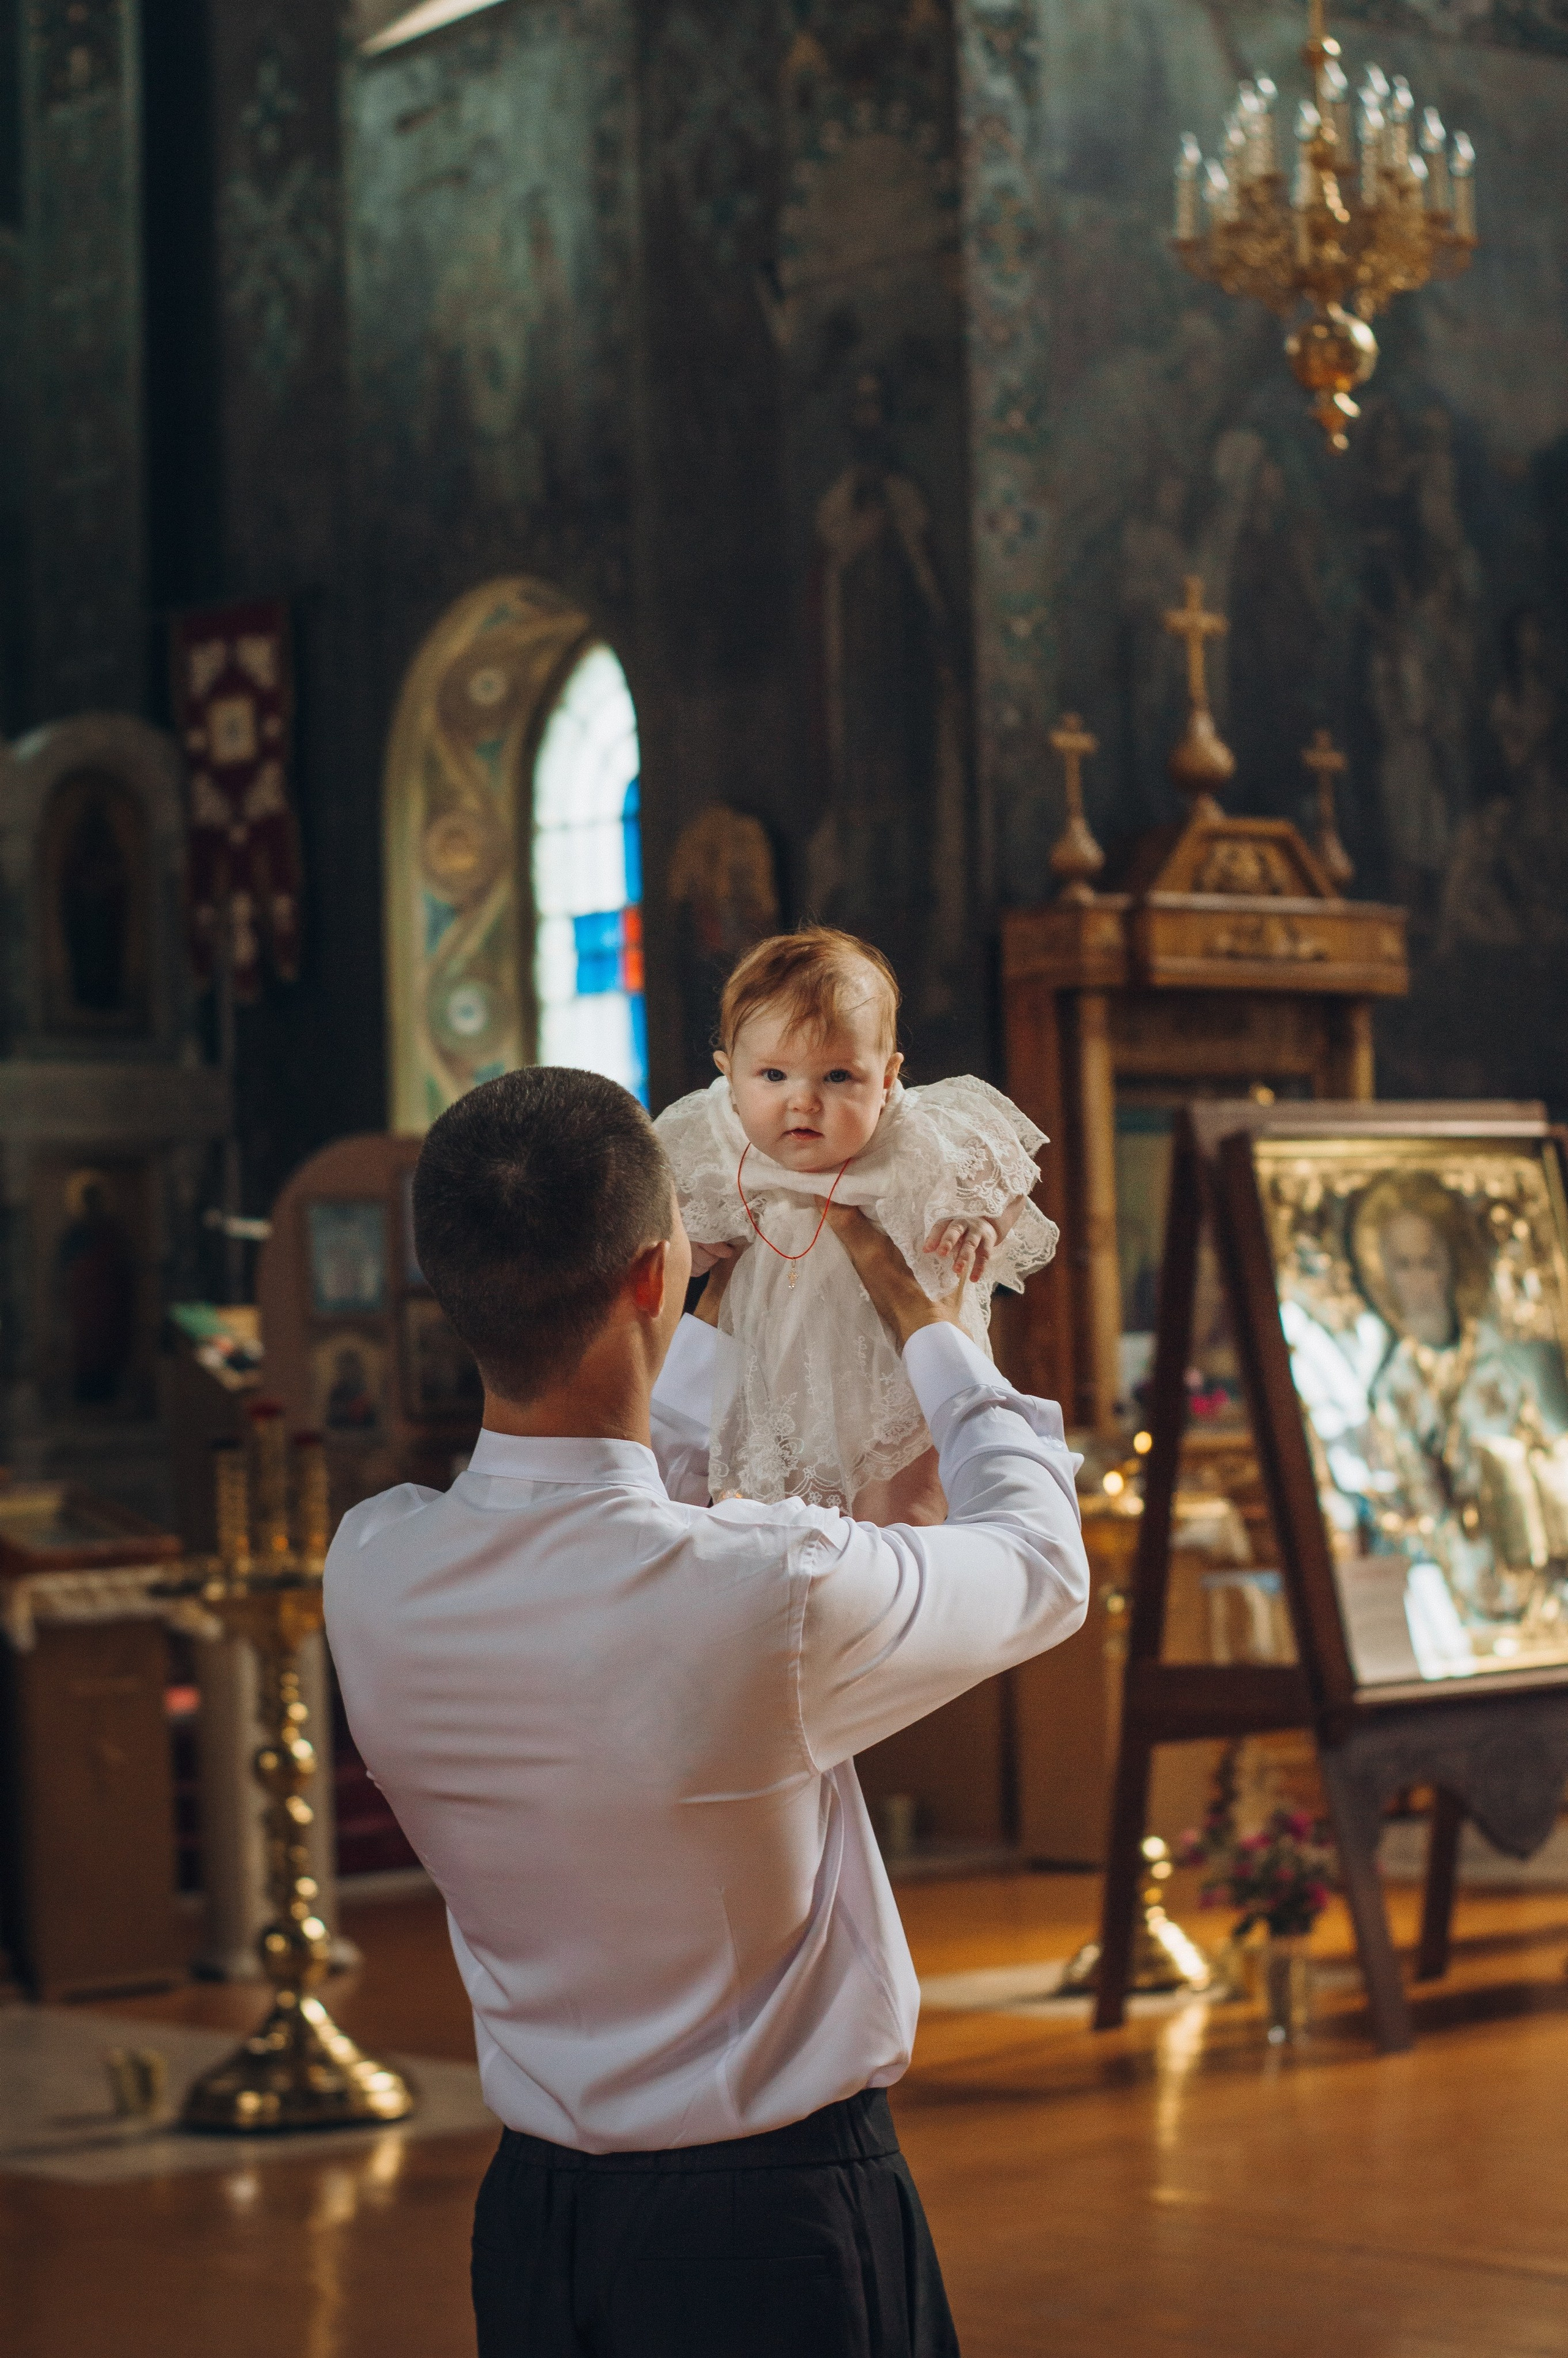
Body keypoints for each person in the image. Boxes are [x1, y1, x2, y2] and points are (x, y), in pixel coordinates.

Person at [323, 1065, 1088, 2358]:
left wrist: (699, 1321)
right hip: (771, 2227)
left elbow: (615, 1515)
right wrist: (930, 1316)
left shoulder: (373, 1566)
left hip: (534, 2228)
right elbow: (1040, 1563)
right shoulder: (768, 1589)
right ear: (649, 1271)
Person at [655, 928, 1058, 1523]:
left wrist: (979, 1222)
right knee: (771, 1511)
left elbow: (1000, 1173)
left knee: (906, 1508)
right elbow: (667, 1214)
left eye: (838, 1077)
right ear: (729, 1076)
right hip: (771, 1371)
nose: (803, 1101)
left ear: (888, 1077)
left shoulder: (913, 1134)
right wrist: (690, 1244)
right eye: (773, 1075)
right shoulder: (714, 1133)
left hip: (894, 1370)